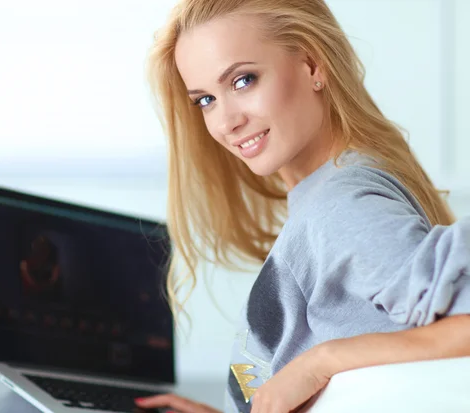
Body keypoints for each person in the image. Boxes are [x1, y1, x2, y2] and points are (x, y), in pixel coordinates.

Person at [130, 0, 470, 413]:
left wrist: (321, 362)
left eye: (242, 81)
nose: (225, 123)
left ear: (313, 66)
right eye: (205, 100)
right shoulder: (329, 192)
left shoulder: (342, 206)